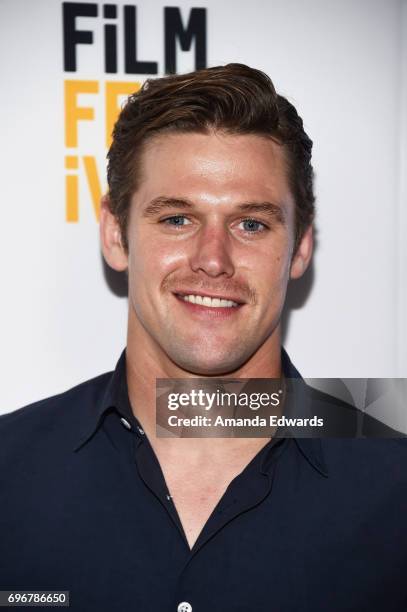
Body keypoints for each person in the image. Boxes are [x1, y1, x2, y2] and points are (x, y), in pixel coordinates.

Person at [1, 64, 406, 612]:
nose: (213, 260)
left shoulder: (393, 473)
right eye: (176, 219)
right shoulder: (9, 468)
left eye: (251, 225)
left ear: (302, 249)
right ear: (116, 236)